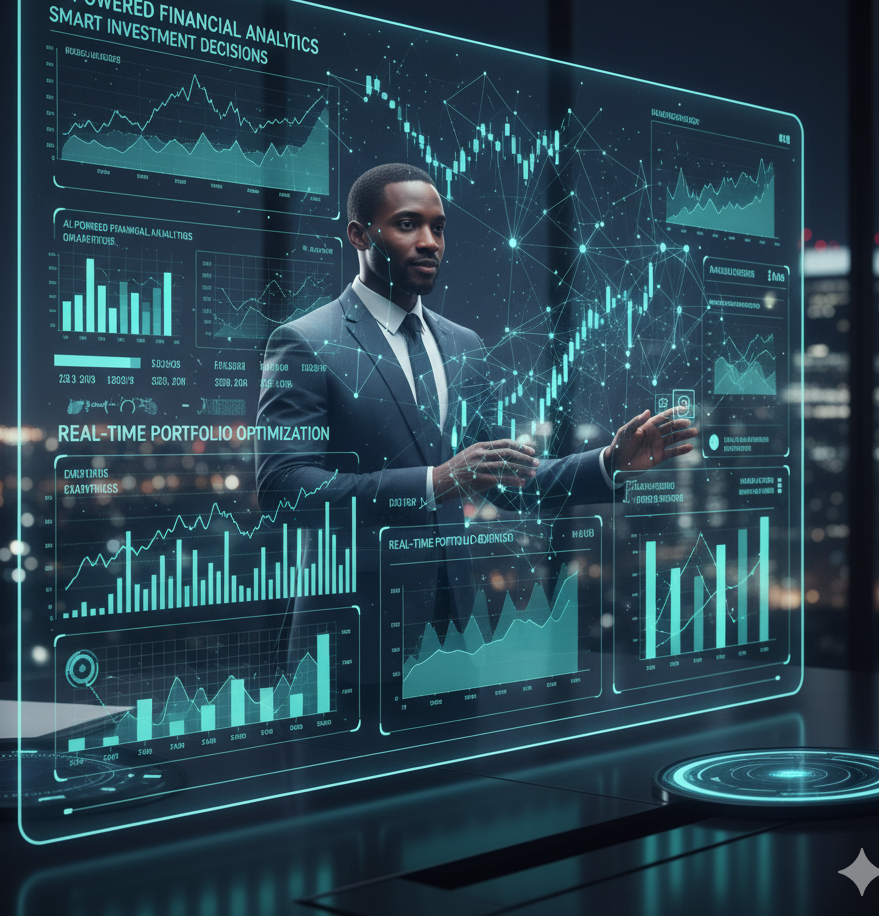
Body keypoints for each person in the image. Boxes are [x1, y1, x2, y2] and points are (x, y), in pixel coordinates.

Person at [255, 163, 696, 650]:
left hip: (455, 637)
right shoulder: (305, 342)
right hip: (350, 639)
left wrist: (609, 463)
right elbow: (283, 488)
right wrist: (435, 482)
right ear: (359, 235)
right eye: (408, 224)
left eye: (438, 227)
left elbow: (501, 478)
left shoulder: (463, 346)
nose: (430, 242)